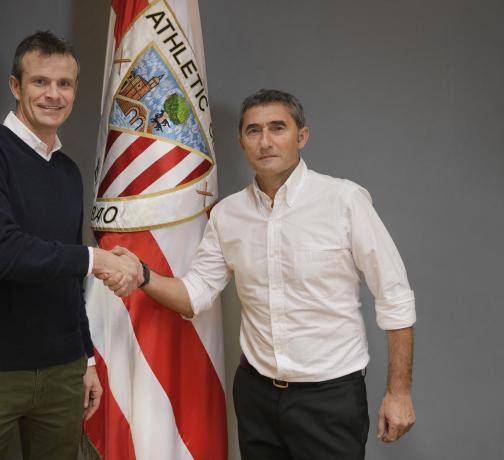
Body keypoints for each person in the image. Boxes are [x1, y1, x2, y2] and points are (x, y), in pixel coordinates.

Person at [103, 89, 416, 459]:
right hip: (257, 396)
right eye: (254, 131)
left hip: (329, 397)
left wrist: (399, 392)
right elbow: (195, 294)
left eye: (277, 128)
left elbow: (395, 295)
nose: (265, 141)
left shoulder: (344, 201)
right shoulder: (228, 214)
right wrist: (143, 274)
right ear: (242, 141)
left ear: (302, 136)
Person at [0, 31, 142, 460]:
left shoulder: (67, 172)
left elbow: (70, 279)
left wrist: (86, 359)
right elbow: (1, 253)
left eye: (64, 84)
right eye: (40, 82)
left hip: (62, 372)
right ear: (15, 86)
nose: (54, 94)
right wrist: (96, 258)